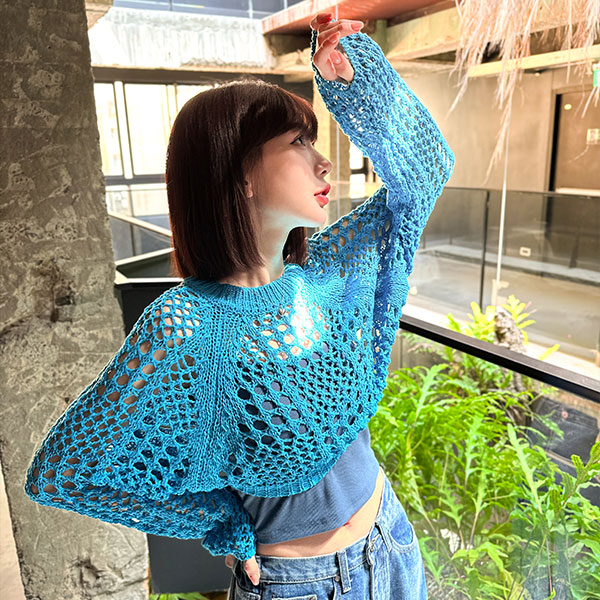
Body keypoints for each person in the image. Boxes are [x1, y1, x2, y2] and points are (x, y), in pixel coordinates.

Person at [23, 10, 454, 600]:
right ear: (240, 174)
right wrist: (215, 520)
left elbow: (425, 171)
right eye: (298, 143)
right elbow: (65, 472)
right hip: (298, 583)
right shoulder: (186, 327)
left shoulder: (325, 273)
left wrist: (358, 82)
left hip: (391, 542)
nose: (323, 160)